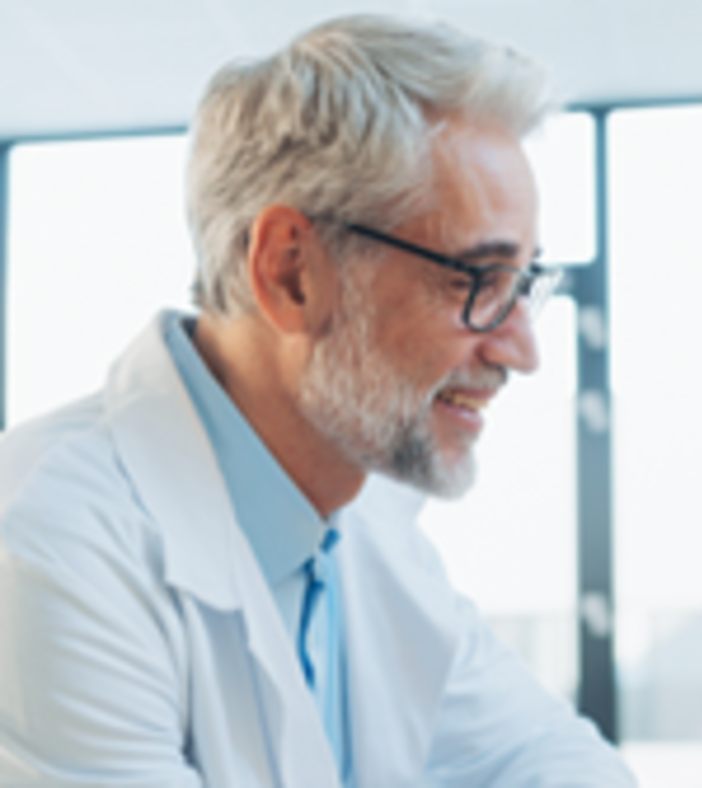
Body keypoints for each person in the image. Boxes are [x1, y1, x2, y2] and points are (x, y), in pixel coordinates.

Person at [0, 15, 637, 787]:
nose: (523, 352)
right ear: (291, 271)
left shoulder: (368, 527)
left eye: (526, 285)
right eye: (475, 282)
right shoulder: (49, 541)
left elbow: (538, 759)